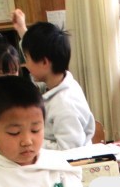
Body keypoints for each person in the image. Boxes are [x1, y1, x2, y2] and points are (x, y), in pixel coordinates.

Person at [12, 10, 95, 150]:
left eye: (27, 59)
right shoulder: (61, 81)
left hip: (68, 162)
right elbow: (37, 48)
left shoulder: (64, 104)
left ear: (44, 62)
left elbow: (70, 150)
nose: (26, 64)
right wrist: (21, 29)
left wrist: (34, 141)